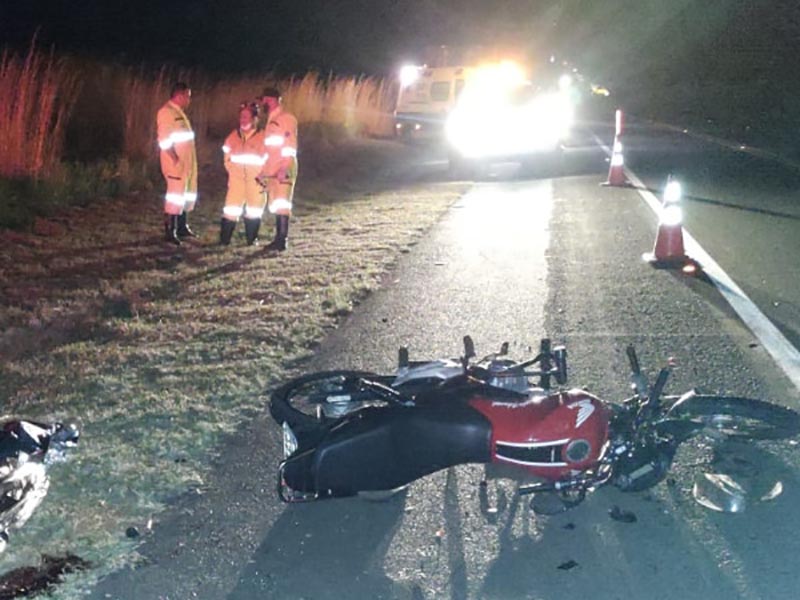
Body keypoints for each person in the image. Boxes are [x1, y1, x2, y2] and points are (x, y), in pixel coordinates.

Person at [256, 87, 298, 252]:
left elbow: (289, 146)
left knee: (282, 203)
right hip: (273, 169)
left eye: (265, 100)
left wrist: (284, 167)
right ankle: (278, 238)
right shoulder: (271, 120)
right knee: (276, 203)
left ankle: (282, 240)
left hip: (282, 169)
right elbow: (269, 151)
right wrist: (263, 171)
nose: (263, 103)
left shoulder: (285, 118)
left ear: (274, 100)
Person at [156, 82, 198, 245]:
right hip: (175, 163)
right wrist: (174, 158)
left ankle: (182, 226)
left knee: (185, 193)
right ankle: (170, 230)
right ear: (179, 95)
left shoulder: (178, 112)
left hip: (186, 162)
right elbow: (163, 140)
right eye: (187, 96)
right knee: (175, 196)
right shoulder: (166, 112)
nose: (189, 100)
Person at [219, 104, 267, 245]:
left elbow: (269, 158)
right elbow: (226, 158)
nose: (243, 120)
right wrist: (232, 172)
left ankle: (251, 239)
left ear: (254, 119)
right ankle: (224, 240)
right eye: (241, 117)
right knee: (230, 209)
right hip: (236, 180)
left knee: (254, 211)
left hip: (256, 180)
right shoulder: (232, 137)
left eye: (246, 117)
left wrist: (263, 175)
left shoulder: (263, 137)